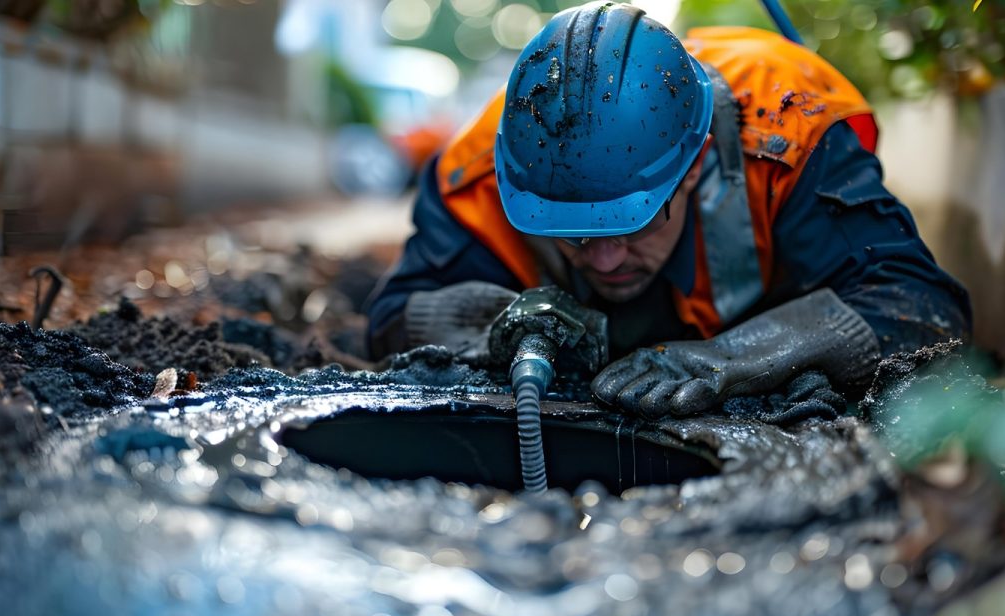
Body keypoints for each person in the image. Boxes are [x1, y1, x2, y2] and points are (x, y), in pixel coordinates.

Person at [365, 1, 971, 419]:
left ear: (698, 162)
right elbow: (392, 317)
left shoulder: (791, 133)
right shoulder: (473, 174)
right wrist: (496, 325)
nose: (604, 259)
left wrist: (735, 358)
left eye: (634, 221)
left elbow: (919, 307)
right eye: (572, 231)